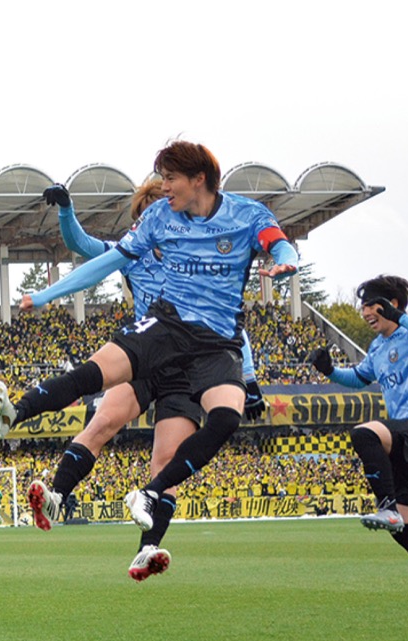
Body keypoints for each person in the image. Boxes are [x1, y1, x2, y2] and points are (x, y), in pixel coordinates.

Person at [0, 140, 297, 573]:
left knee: (224, 421)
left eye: (170, 179)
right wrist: (43, 295)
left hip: (213, 345)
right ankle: (16, 415)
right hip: (164, 329)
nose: (164, 188)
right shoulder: (157, 221)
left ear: (199, 179)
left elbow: (278, 243)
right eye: (161, 181)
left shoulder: (247, 215)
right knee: (95, 387)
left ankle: (149, 524)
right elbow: (99, 257)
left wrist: (285, 262)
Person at [25, 177, 267, 581]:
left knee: (165, 461)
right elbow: (82, 245)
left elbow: (228, 324)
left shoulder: (198, 255)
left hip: (188, 368)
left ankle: (147, 548)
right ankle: (58, 496)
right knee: (102, 423)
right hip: (146, 355)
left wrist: (250, 377)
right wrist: (67, 210)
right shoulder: (131, 253)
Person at [307, 274, 408, 638]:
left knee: (364, 434)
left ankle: (387, 506)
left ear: (391, 304)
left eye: (371, 304)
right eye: (363, 306)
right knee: (406, 531)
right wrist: (329, 369)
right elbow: (359, 377)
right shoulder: (378, 347)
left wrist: (400, 318)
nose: (365, 312)